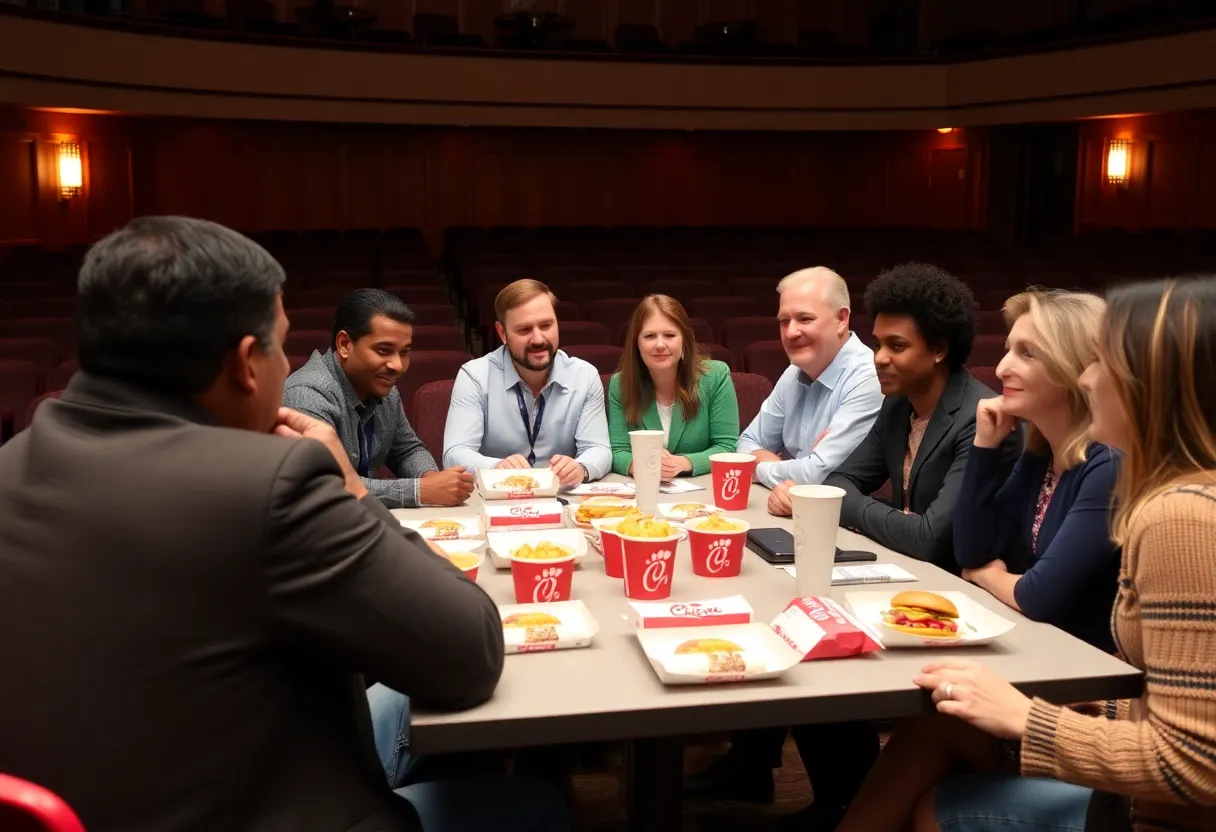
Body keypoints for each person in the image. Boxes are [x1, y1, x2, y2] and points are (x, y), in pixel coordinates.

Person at [0, 217, 567, 832]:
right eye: (281, 344)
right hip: (264, 803)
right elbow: (470, 651)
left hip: (128, 789)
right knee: (534, 803)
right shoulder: (269, 485)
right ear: (248, 363)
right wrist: (348, 489)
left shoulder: (10, 465)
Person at [838, 276, 1216, 832]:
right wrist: (1059, 706)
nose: (1089, 377)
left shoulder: (1179, 514)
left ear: (1150, 383)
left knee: (937, 809)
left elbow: (1195, 763)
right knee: (935, 722)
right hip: (1112, 725)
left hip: (1147, 814)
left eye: (1102, 362)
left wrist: (1026, 715)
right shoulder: (1161, 492)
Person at [954, 288, 1119, 651]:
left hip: (1099, 677)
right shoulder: (1042, 451)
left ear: (1075, 367)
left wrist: (988, 577)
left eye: (1026, 353)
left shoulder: (1109, 463)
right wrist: (984, 447)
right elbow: (970, 550)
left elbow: (1038, 596)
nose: (1000, 369)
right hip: (1048, 650)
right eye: (1007, 350)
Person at [824, 263, 1020, 567]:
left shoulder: (981, 419)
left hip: (962, 587)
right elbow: (837, 484)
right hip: (906, 567)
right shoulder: (898, 404)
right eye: (877, 344)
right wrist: (899, 520)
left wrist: (857, 510)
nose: (879, 358)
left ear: (939, 350)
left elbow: (930, 541)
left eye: (897, 346)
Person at [283, 288, 475, 508]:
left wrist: (430, 477)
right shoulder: (308, 394)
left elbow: (406, 450)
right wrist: (420, 491)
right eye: (384, 351)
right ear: (344, 344)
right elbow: (324, 487)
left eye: (404, 352)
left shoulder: (384, 389)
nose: (398, 366)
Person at [735, 267, 883, 517]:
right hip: (793, 513)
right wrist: (794, 470)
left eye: (805, 319)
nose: (791, 332)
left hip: (847, 526)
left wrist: (758, 469)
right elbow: (746, 444)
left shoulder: (868, 378)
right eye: (784, 321)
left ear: (841, 319)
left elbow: (816, 476)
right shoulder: (794, 372)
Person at [443, 279, 611, 485]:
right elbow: (455, 453)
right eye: (524, 330)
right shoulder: (475, 376)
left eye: (546, 325)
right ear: (502, 333)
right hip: (496, 498)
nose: (538, 339)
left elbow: (599, 448)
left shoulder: (584, 375)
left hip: (561, 496)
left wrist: (581, 468)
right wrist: (496, 468)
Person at [607, 294, 739, 476]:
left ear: (684, 340)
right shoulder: (620, 384)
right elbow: (617, 451)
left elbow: (727, 447)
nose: (660, 344)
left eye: (669, 335)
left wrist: (683, 463)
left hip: (701, 490)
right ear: (637, 343)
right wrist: (640, 466)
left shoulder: (716, 376)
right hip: (643, 487)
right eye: (650, 336)